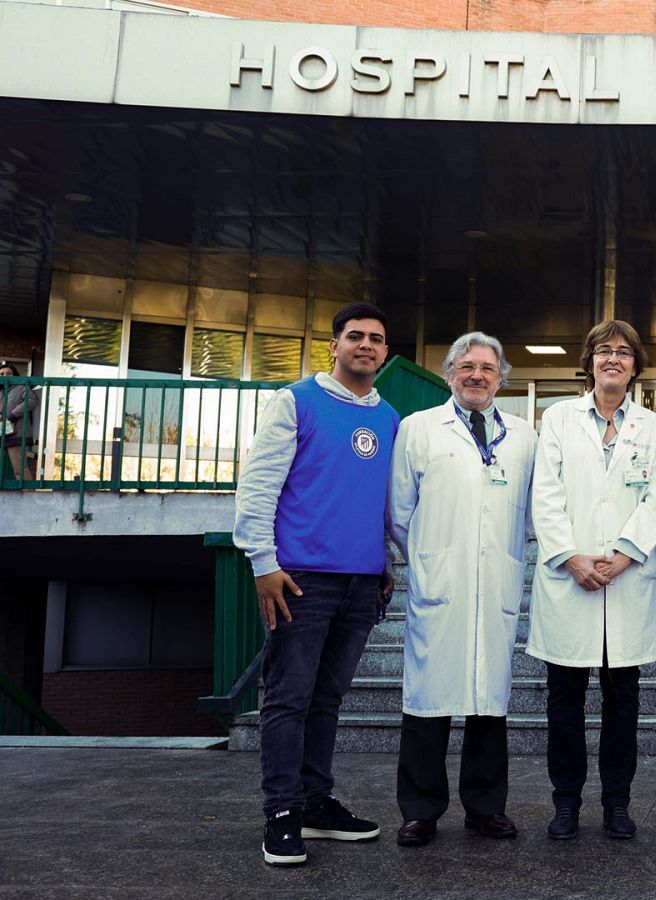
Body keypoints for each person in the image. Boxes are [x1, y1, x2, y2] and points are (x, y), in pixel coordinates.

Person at [233, 302, 399, 866]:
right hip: (299, 580)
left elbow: (380, 504)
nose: (366, 346)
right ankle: (281, 814)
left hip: (361, 583)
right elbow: (258, 486)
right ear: (334, 344)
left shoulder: (389, 417)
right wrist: (262, 563)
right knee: (288, 697)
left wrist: (386, 564)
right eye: (355, 336)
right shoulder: (296, 401)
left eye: (376, 339)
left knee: (327, 698)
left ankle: (315, 802)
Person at [386, 331, 535, 848]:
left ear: (501, 379)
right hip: (441, 582)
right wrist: (432, 559)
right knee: (427, 699)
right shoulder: (419, 429)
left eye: (488, 369)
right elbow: (399, 512)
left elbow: (535, 513)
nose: (477, 376)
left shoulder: (523, 435)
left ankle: (485, 807)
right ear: (449, 373)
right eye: (467, 366)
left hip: (495, 581)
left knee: (489, 699)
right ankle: (421, 810)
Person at [528, 320, 656, 841]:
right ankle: (566, 803)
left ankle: (617, 803)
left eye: (624, 352)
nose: (613, 359)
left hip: (625, 580)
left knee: (622, 704)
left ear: (636, 365)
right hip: (571, 580)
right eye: (603, 351)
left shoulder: (652, 428)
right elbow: (545, 493)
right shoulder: (560, 418)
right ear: (588, 362)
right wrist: (571, 557)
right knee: (564, 703)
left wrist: (625, 555)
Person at [2, 362, 40, 481]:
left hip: (16, 434)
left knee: (20, 470)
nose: (5, 376)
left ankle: (28, 495)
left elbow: (32, 401)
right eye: (1, 374)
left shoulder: (21, 388)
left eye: (9, 373)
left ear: (15, 376)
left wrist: (12, 415)